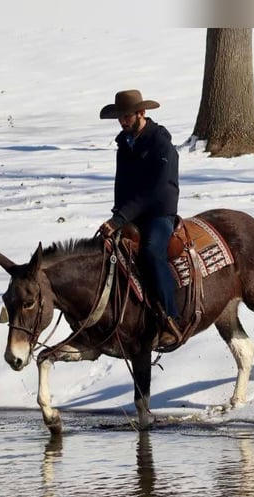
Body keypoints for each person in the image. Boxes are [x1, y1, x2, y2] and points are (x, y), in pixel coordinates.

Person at [97, 89, 182, 348]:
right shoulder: (124, 145)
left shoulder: (160, 144)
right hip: (130, 214)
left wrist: (121, 217)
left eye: (126, 116)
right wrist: (116, 216)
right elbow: (121, 184)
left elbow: (156, 189)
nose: (123, 121)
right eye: (120, 117)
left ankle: (170, 318)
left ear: (141, 114)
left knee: (151, 252)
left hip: (159, 212)